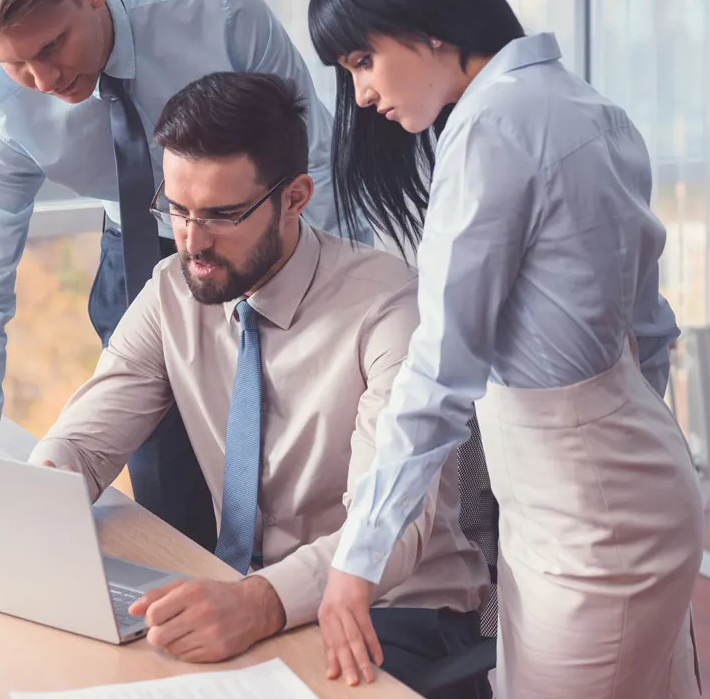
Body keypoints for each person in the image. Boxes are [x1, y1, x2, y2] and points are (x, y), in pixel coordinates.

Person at [309, 0, 703, 697]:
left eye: (364, 59)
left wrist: (357, 559)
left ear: (430, 24)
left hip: (588, 526)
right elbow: (648, 326)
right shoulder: (584, 104)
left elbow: (440, 368)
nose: (360, 92)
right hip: (619, 489)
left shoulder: (494, 127)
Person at [29, 71, 489, 698]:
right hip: (247, 601)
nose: (192, 240)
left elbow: (393, 529)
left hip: (397, 614)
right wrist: (46, 485)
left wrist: (259, 605)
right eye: (177, 209)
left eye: (221, 214)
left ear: (295, 197)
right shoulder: (173, 289)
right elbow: (83, 444)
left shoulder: (389, 309)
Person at [0, 0, 346, 550]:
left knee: (287, 472)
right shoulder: (2, 111)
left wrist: (328, 308)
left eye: (50, 47)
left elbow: (312, 162)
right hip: (138, 261)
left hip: (268, 244)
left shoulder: (215, 10)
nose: (43, 81)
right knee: (170, 513)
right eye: (14, 62)